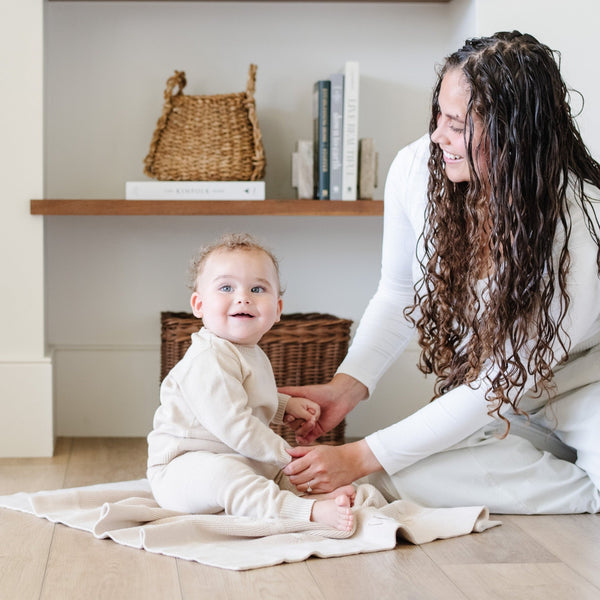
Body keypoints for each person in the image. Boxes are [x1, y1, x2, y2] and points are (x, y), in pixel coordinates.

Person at [281, 31, 600, 514]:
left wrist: (358, 455)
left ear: (515, 133)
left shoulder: (574, 224)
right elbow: (397, 292)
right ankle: (551, 460)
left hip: (583, 384)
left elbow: (498, 381)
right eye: (439, 115)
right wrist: (346, 387)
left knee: (381, 462)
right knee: (398, 475)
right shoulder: (415, 169)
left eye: (456, 123)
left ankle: (576, 469)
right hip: (505, 400)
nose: (437, 135)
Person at [147, 233, 355, 531]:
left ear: (278, 309)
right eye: (226, 287)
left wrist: (286, 406)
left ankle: (311, 495)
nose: (243, 297)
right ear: (199, 305)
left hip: (236, 456)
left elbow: (247, 396)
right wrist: (288, 455)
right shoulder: (207, 359)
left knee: (269, 473)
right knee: (230, 475)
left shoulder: (249, 352)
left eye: (257, 288)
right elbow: (235, 423)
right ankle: (304, 512)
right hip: (182, 469)